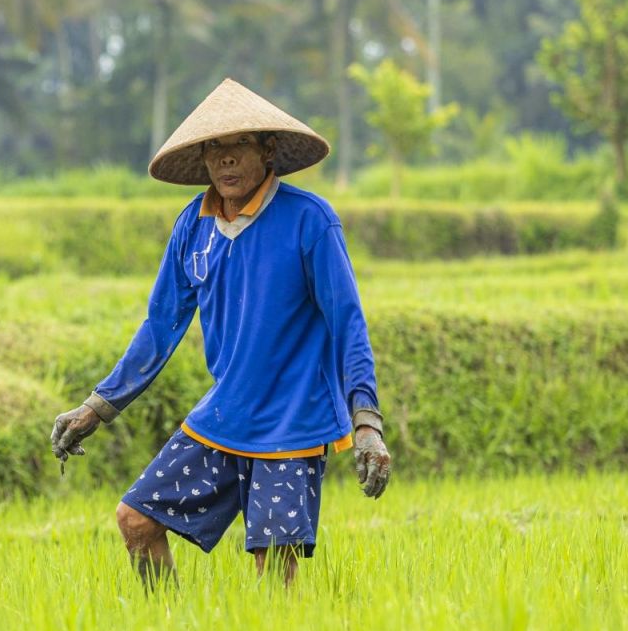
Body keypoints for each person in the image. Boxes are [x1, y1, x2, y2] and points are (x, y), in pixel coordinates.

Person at [49, 78, 391, 587]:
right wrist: (98, 407)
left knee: (273, 567)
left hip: (291, 424)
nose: (226, 161)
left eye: (238, 147)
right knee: (136, 520)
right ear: (203, 158)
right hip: (224, 415)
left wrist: (366, 422)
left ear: (268, 150)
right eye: (215, 149)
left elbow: (347, 323)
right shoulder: (194, 225)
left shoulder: (310, 221)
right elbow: (161, 325)